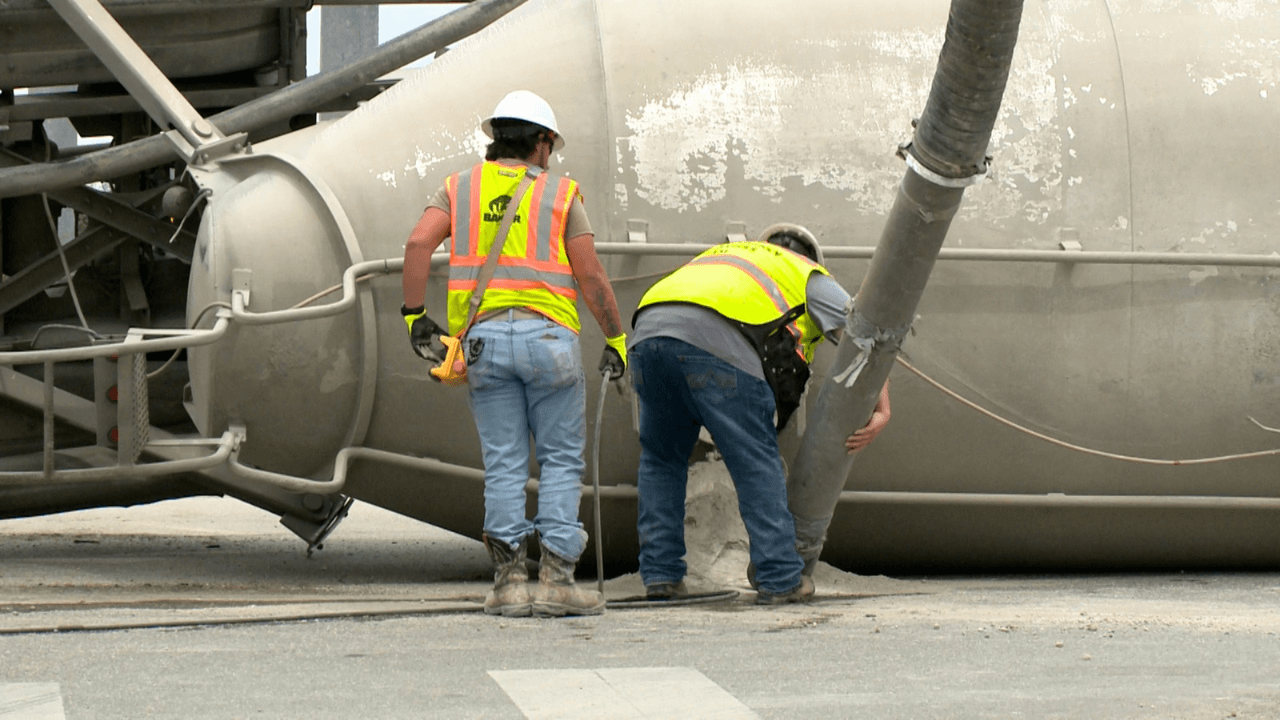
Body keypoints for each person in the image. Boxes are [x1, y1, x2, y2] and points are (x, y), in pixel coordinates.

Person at [400, 90, 628, 619]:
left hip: (482, 344)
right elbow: (590, 274)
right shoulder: (563, 194)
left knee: (503, 464)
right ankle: (556, 583)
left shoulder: (458, 187)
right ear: (542, 143)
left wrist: (416, 315)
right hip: (549, 341)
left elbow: (417, 246)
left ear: (496, 138)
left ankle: (507, 585)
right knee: (561, 461)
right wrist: (615, 337)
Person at [628, 224, 891, 605]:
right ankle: (780, 577)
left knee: (661, 461)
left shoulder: (721, 258)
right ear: (811, 256)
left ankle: (661, 576)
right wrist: (882, 406)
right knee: (755, 460)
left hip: (648, 334)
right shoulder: (805, 273)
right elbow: (863, 331)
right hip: (721, 345)